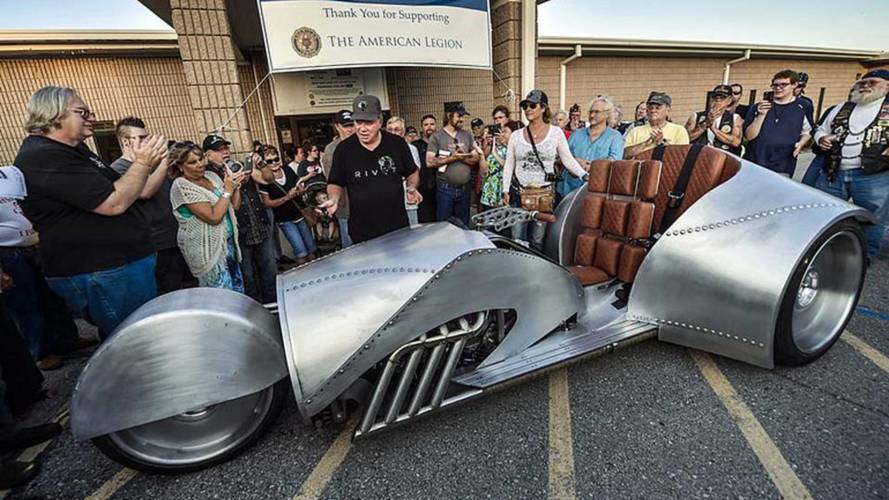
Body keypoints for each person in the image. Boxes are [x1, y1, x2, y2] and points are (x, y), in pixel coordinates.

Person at [15, 86, 166, 341]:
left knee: (142, 337)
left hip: (117, 265)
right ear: (53, 115)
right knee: (133, 343)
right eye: (82, 112)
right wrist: (143, 162)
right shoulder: (44, 156)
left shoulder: (74, 150)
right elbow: (115, 202)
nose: (91, 118)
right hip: (102, 270)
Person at [0, 182, 85, 370]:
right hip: (7, 252)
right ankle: (41, 352)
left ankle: (67, 339)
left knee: (53, 296)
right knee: (26, 305)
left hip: (34, 246)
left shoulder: (8, 176)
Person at [320, 95, 422, 243]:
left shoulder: (397, 144)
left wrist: (412, 187)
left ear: (380, 121)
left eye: (368, 122)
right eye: (358, 122)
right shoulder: (344, 149)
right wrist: (334, 199)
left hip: (396, 227)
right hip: (362, 231)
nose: (362, 128)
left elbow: (412, 172)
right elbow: (335, 181)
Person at [813, 69, 889, 258]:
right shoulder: (841, 107)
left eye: (872, 82)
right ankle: (821, 254)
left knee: (872, 220)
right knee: (824, 214)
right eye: (862, 82)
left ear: (887, 87)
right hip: (834, 171)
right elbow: (821, 129)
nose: (865, 86)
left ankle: (863, 259)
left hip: (873, 176)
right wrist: (821, 138)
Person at [110, 116, 190, 295]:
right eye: (141, 138)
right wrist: (163, 161)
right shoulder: (118, 169)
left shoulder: (153, 167)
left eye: (147, 137)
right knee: (167, 293)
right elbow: (145, 191)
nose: (147, 142)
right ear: (126, 141)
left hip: (175, 238)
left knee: (183, 290)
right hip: (156, 245)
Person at [502, 90, 589, 250]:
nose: (528, 109)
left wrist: (583, 175)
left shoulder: (556, 133)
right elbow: (509, 164)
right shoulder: (516, 135)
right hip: (518, 194)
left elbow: (567, 159)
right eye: (525, 106)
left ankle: (535, 273)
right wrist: (505, 189)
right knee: (516, 240)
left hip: (544, 196)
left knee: (537, 241)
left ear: (543, 108)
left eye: (532, 105)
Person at [169, 141, 248, 291]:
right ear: (180, 166)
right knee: (221, 296)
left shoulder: (211, 176)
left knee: (238, 292)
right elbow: (214, 217)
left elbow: (234, 205)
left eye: (201, 159)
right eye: (192, 162)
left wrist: (236, 185)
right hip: (208, 251)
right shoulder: (181, 186)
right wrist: (228, 190)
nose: (200, 164)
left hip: (228, 244)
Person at [743, 69, 812, 176]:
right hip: (754, 162)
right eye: (775, 85)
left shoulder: (803, 107)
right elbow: (749, 136)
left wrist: (800, 144)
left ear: (794, 85)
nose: (778, 88)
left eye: (783, 85)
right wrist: (761, 115)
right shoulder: (759, 107)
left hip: (783, 166)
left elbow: (807, 132)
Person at [233, 145, 278, 303]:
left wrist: (261, 164)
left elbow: (269, 179)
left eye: (225, 148)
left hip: (260, 226)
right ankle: (254, 308)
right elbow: (233, 205)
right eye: (219, 150)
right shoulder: (216, 177)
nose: (224, 152)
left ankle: (273, 303)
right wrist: (233, 183)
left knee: (269, 268)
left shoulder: (245, 170)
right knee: (247, 274)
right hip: (241, 232)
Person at [259, 148, 317, 265]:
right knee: (301, 251)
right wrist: (287, 197)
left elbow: (298, 185)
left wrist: (300, 190)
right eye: (269, 161)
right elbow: (267, 203)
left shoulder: (287, 169)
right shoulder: (264, 179)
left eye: (276, 159)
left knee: (311, 248)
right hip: (285, 220)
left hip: (300, 214)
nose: (274, 163)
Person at [561, 96, 624, 198]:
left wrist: (593, 166)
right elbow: (562, 156)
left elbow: (614, 161)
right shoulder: (577, 134)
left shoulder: (615, 136)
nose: (592, 115)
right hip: (569, 190)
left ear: (607, 114)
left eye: (596, 112)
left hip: (597, 192)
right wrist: (576, 161)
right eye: (591, 112)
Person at [426, 101, 478, 226]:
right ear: (449, 116)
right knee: (443, 227)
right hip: (445, 190)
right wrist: (452, 158)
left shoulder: (467, 135)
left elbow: (476, 158)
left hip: (465, 189)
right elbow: (429, 162)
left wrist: (461, 158)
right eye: (459, 116)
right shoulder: (437, 137)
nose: (462, 119)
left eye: (463, 116)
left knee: (463, 226)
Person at [320, 110, 355, 248]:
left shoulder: (363, 143)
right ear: (337, 126)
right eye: (347, 126)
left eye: (353, 124)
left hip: (368, 206)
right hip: (346, 208)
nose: (351, 129)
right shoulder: (331, 150)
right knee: (352, 248)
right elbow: (334, 180)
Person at [624, 92, 690, 158]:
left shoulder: (679, 131)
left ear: (668, 109)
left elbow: (682, 156)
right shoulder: (635, 131)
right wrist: (646, 143)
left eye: (657, 108)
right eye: (650, 107)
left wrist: (662, 143)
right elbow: (624, 154)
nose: (653, 110)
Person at [685, 84, 743, 155]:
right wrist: (705, 124)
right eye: (715, 97)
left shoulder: (735, 118)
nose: (718, 101)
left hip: (722, 157)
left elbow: (736, 142)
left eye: (722, 98)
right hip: (699, 155)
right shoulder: (696, 116)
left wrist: (714, 129)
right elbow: (686, 138)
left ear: (729, 100)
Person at [386, 116, 423, 226]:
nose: (393, 133)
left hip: (408, 198)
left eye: (397, 129)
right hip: (388, 202)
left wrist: (411, 188)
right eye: (390, 130)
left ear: (403, 132)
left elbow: (414, 172)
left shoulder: (411, 149)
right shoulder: (380, 149)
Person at [478, 123, 511, 211]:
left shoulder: (509, 149)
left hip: (502, 191)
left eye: (504, 132)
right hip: (489, 191)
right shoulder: (492, 148)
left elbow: (508, 165)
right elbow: (483, 171)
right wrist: (485, 149)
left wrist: (495, 153)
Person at [415, 114, 439, 222]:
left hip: (441, 190)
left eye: (432, 124)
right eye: (426, 124)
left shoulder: (442, 144)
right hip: (423, 192)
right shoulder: (415, 146)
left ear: (436, 126)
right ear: (421, 127)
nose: (429, 127)